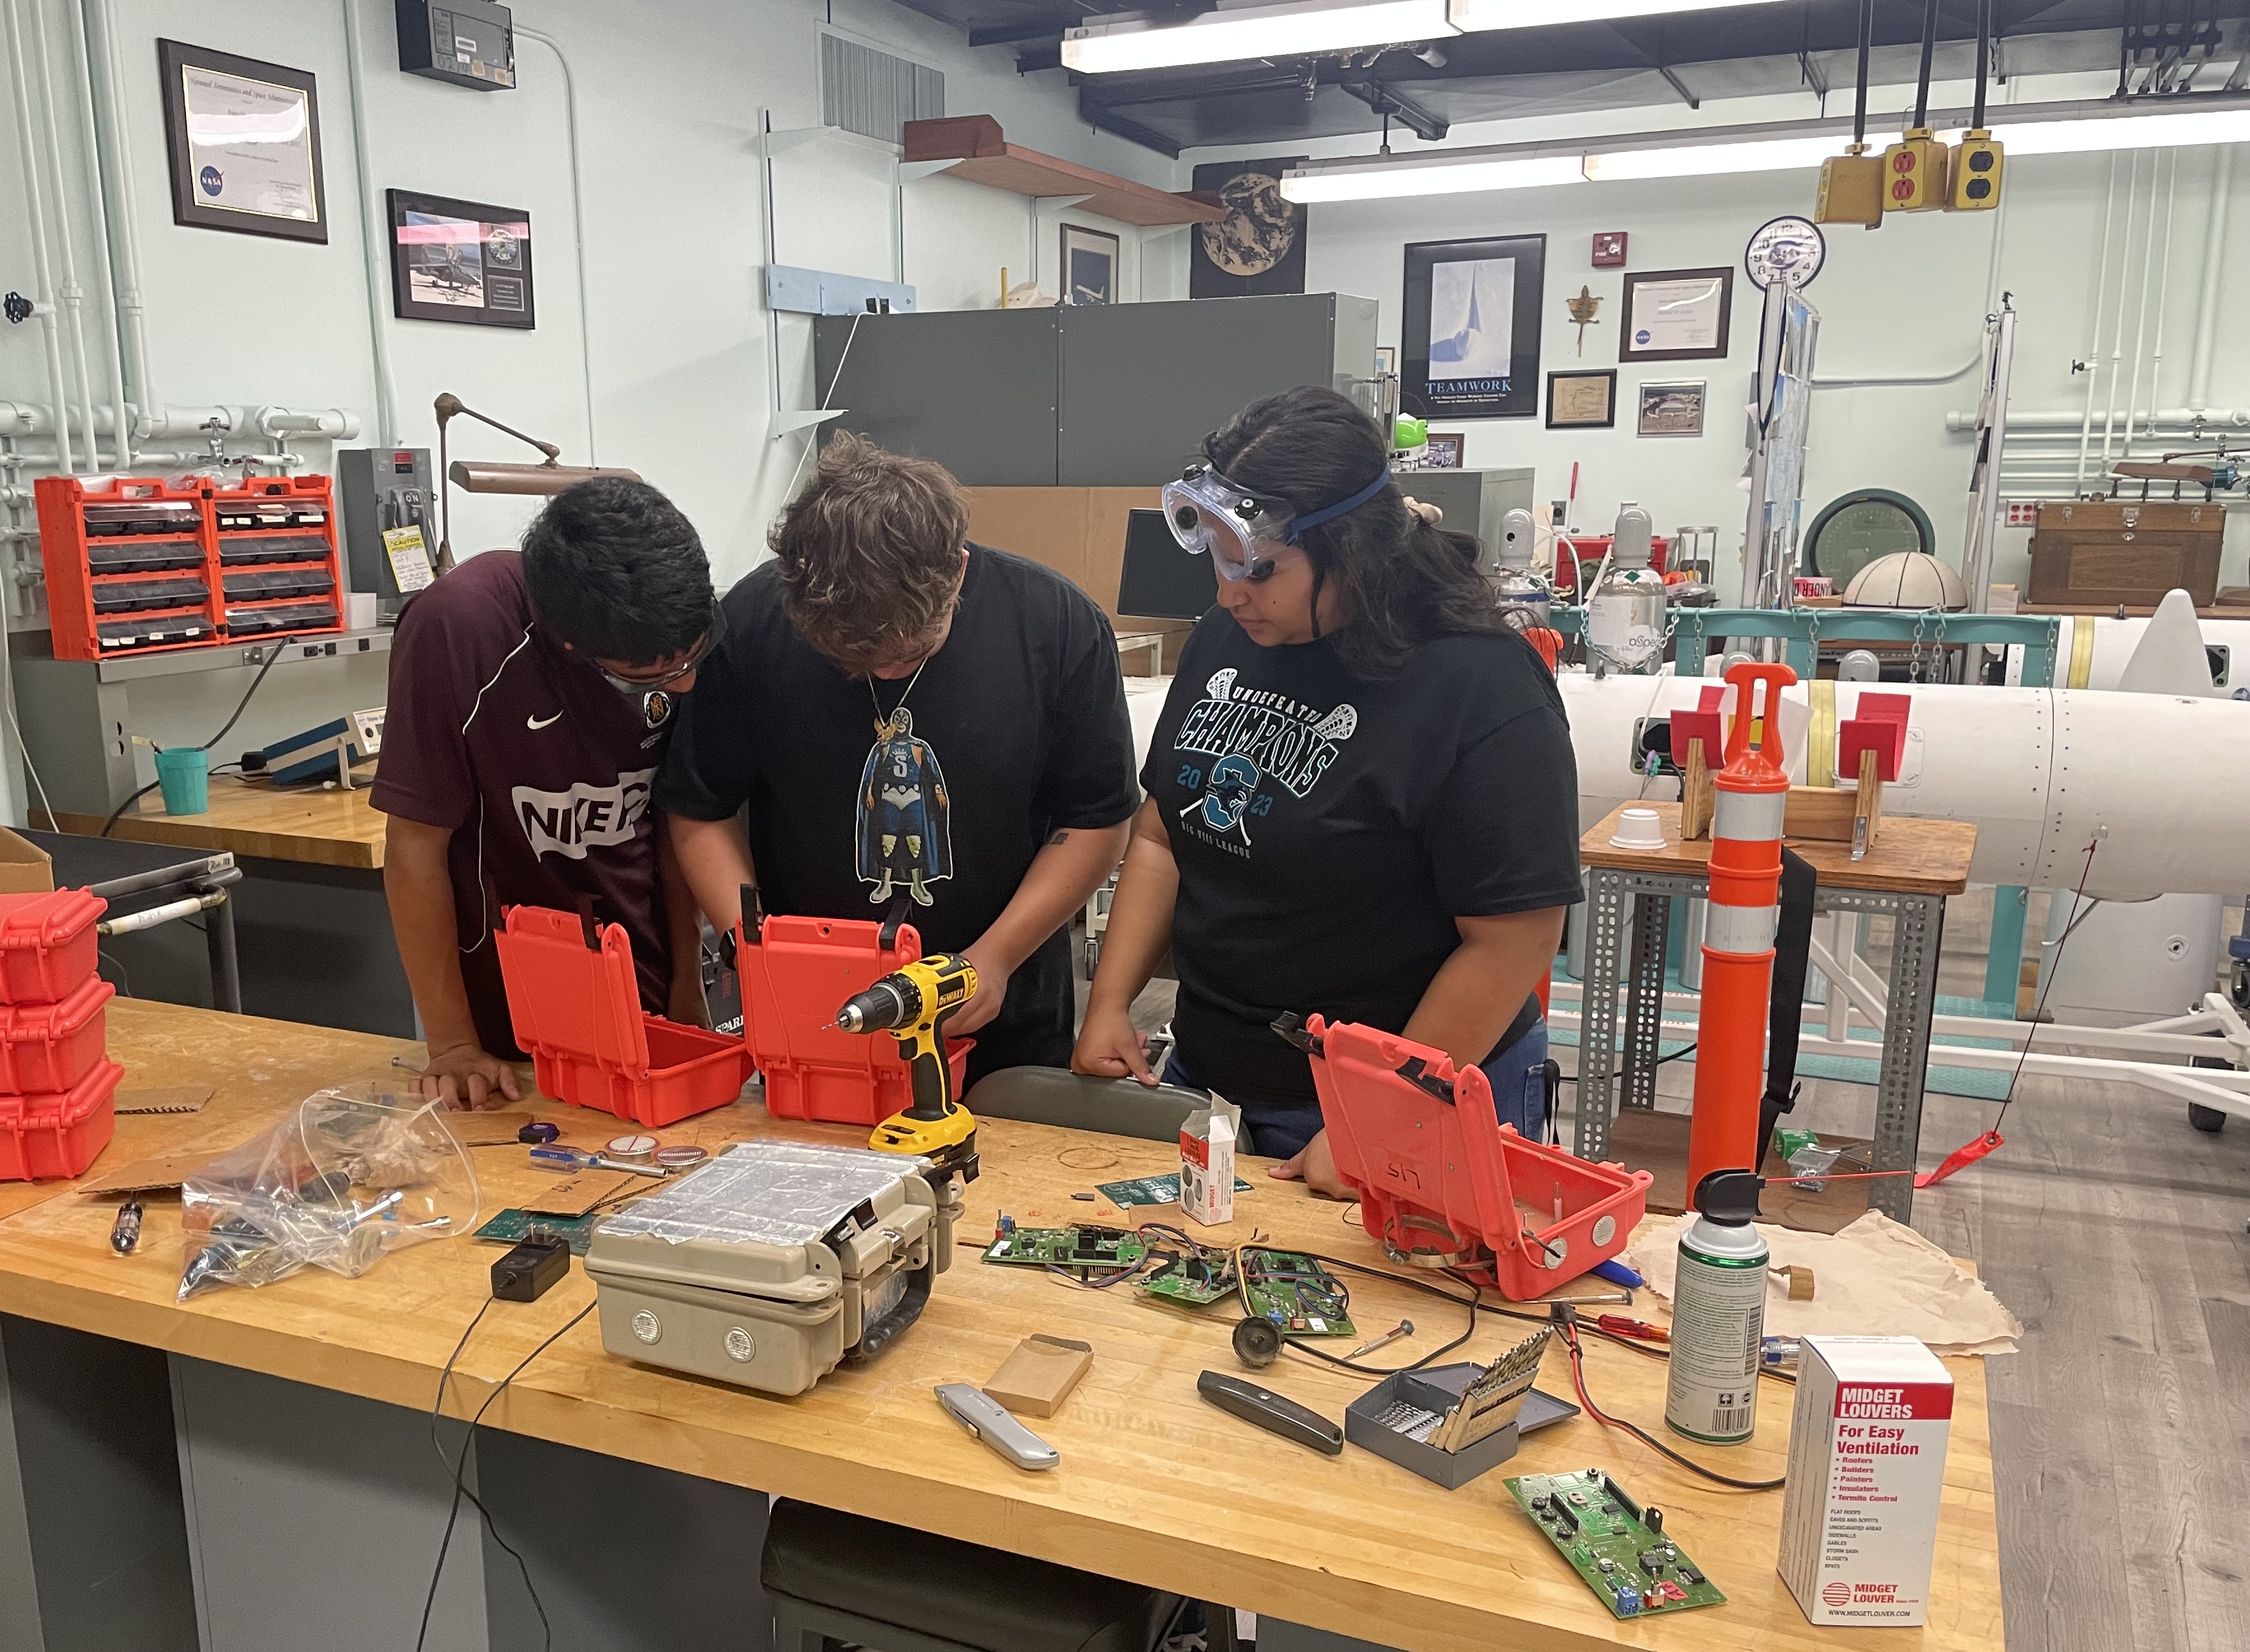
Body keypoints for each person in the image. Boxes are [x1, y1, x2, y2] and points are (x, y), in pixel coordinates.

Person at [1072, 387, 1581, 1199]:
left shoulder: (1478, 684)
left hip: (1416, 1090)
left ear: (1350, 548)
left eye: (1258, 568)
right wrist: (1108, 1001)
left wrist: (1381, 1121)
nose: (1228, 591)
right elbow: (1165, 836)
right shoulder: (1230, 638)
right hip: (1216, 1087)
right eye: (1218, 558)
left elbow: (1513, 939)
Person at [657, 435, 1138, 1082]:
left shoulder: (1057, 625)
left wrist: (994, 958)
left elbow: (1097, 821)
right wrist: (757, 949)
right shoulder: (751, 621)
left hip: (999, 1016)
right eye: (849, 660)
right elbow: (700, 810)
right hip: (813, 1013)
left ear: (958, 570)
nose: (883, 669)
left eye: (907, 651)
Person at [373, 478, 716, 1111]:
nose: (686, 684)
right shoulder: (461, 628)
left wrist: (687, 987)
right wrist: (450, 1045)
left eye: (694, 658)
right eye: (652, 678)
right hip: (506, 1021)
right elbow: (414, 851)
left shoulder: (669, 623)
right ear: (569, 645)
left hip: (645, 985)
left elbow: (674, 822)